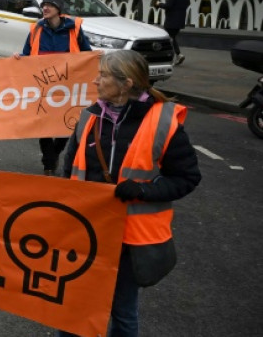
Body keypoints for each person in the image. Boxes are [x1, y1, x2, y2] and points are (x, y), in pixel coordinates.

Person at [60, 50, 201, 337]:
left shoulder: (162, 122)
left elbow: (186, 178)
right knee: (74, 305)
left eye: (103, 76)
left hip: (130, 238)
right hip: (86, 231)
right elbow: (69, 169)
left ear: (126, 84)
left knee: (122, 311)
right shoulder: (89, 116)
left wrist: (143, 190)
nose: (95, 81)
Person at [14, 0, 92, 175]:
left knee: (67, 123)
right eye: (43, 5)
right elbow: (27, 54)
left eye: (50, 5)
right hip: (42, 85)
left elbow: (87, 54)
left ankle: (55, 152)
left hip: (68, 86)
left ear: (59, 9)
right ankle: (49, 162)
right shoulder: (36, 29)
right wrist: (19, 57)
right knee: (43, 123)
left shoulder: (74, 30)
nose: (45, 8)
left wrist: (97, 59)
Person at [156, 0, 189, 66]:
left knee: (168, 39)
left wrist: (159, 4)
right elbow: (187, 4)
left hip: (171, 20)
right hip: (180, 20)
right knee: (172, 38)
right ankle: (178, 55)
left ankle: (173, 56)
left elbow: (168, 5)